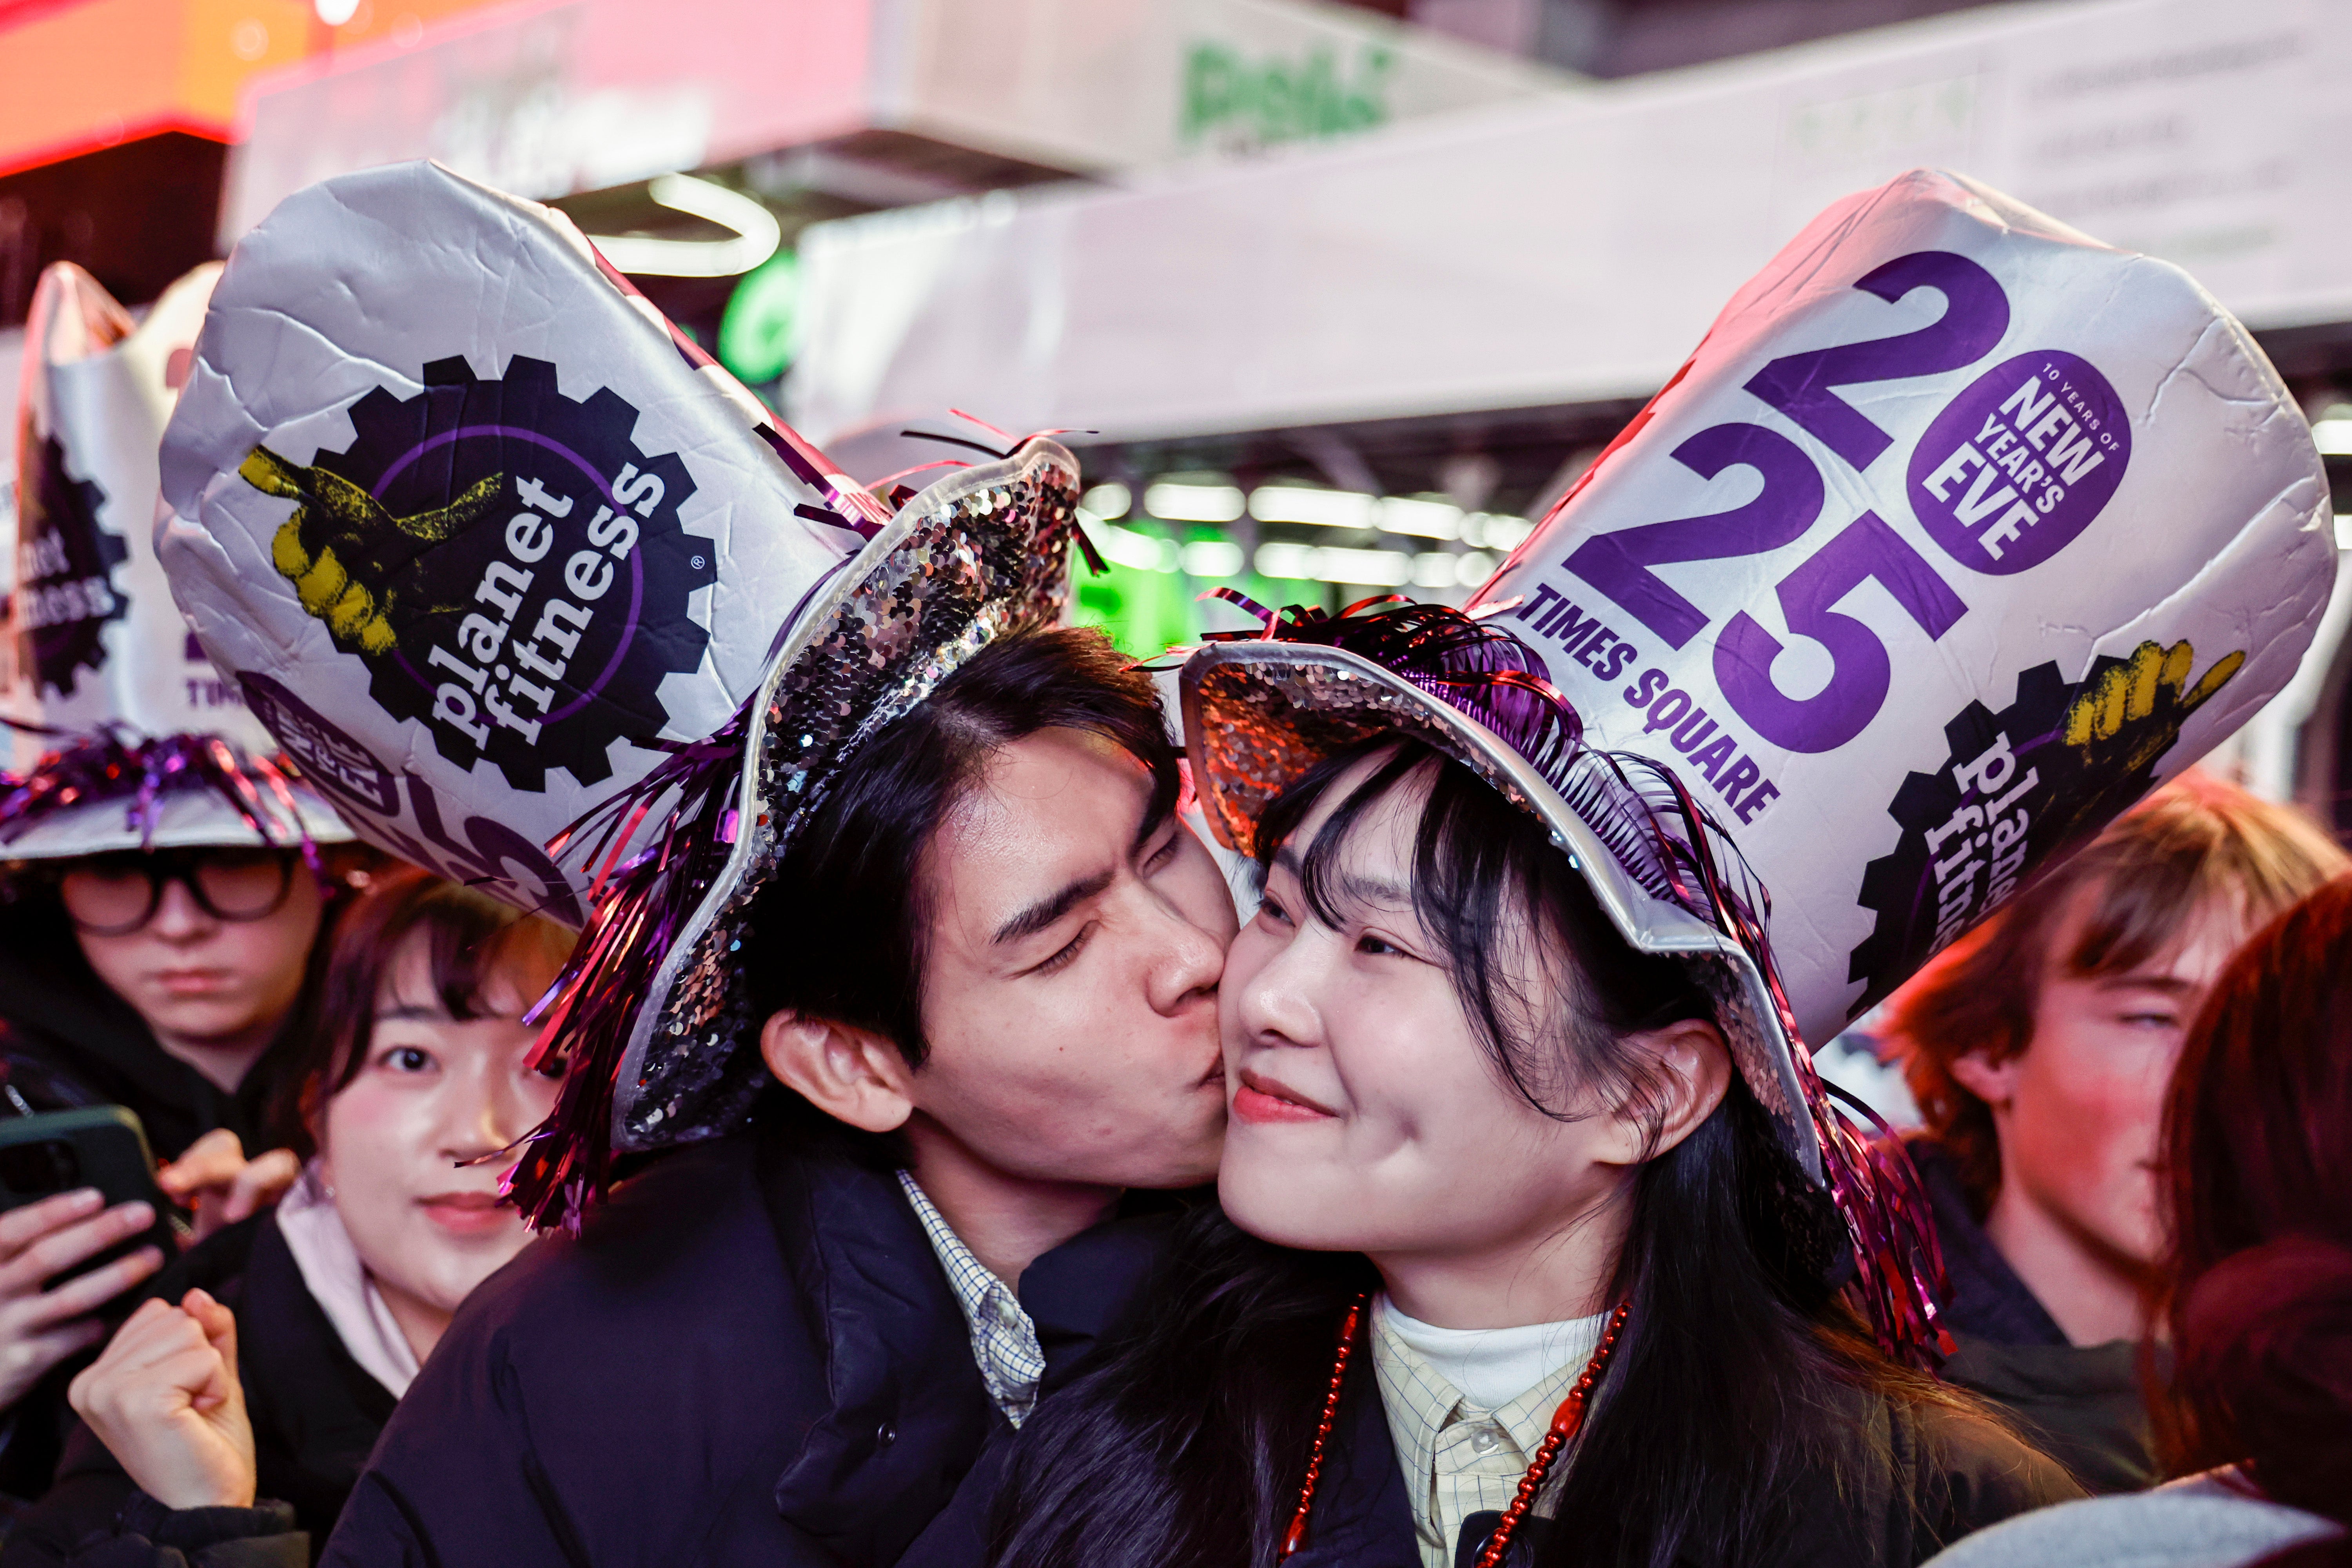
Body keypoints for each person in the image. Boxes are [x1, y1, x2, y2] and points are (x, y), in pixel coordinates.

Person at [985, 602, 2080, 1568]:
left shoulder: (1931, 1518)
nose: (1264, 997)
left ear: (1646, 1094)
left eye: (1378, 945)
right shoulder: (1132, 1416)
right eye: (1279, 907)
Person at [0, 254, 365, 1504]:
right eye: (112, 872)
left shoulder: (464, 1075)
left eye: (227, 865)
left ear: (330, 867)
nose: (174, 924)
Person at [0, 867, 571, 1564]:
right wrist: (207, 1527)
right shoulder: (176, 1391)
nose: (480, 1132)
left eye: (552, 1063)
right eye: (412, 1058)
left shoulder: (713, 1358)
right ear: (317, 1119)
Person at [1884, 776, 2345, 1491]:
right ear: (1986, 1043)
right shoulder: (1825, 1401)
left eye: (2271, 1032)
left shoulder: (2317, 1404)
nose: (2217, 1086)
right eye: (2153, 1019)